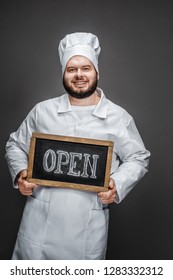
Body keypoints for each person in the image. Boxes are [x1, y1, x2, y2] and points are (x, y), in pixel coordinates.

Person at [5, 32, 150, 260]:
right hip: (38, 225)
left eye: (86, 68)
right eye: (71, 69)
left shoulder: (118, 117)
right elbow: (15, 144)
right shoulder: (42, 111)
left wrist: (117, 184)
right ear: (63, 73)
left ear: (96, 72)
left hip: (86, 230)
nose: (79, 75)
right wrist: (21, 173)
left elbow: (138, 157)